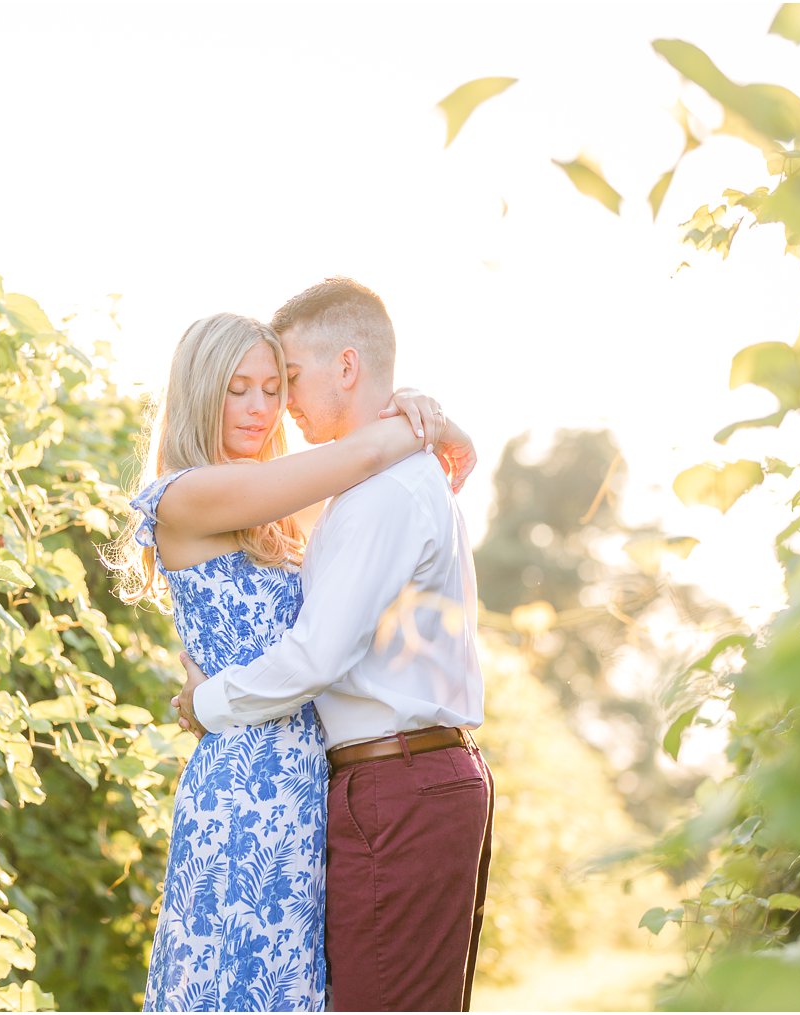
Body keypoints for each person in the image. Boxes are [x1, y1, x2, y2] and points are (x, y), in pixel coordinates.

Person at [108, 311, 475, 1012]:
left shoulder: (274, 506)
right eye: (237, 388)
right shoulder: (189, 494)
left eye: (273, 387)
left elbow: (368, 497)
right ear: (199, 392)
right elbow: (364, 458)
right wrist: (434, 423)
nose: (259, 407)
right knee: (240, 985)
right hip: (247, 786)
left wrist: (436, 421)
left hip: (307, 781)